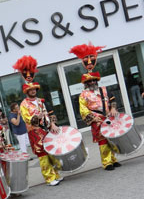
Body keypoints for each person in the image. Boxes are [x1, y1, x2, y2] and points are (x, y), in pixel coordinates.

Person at [69, 43, 120, 171]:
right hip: (96, 119)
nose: (92, 82)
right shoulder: (83, 95)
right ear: (86, 83)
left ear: (97, 81)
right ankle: (106, 162)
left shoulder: (104, 89)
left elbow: (112, 99)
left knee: (112, 138)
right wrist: (93, 118)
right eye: (89, 81)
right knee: (102, 141)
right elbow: (83, 109)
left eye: (93, 81)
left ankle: (114, 159)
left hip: (108, 117)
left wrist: (113, 108)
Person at [12, 56, 62, 186]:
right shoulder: (24, 104)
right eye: (30, 90)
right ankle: (49, 178)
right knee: (42, 155)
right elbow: (27, 119)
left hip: (46, 129)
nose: (33, 91)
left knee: (51, 151)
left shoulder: (40, 101)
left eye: (34, 89)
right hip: (35, 132)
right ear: (27, 91)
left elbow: (48, 112)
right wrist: (37, 118)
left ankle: (56, 174)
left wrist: (52, 123)